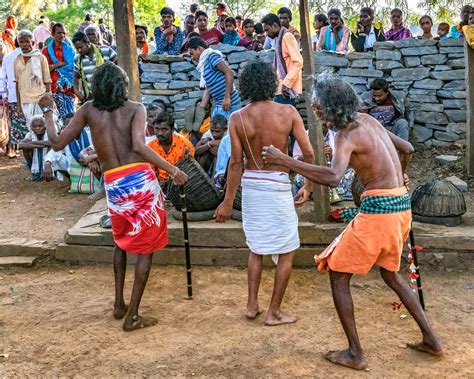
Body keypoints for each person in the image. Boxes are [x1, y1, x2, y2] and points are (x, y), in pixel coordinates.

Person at [261, 74, 443, 370]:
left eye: (315, 105)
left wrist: (285, 161)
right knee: (391, 275)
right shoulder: (367, 120)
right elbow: (406, 148)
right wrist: (400, 176)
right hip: (400, 204)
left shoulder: (345, 135)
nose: (314, 109)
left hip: (380, 210)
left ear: (326, 107)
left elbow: (333, 177)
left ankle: (355, 354)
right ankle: (432, 341)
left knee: (337, 272)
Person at [41, 62, 189, 331]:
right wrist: (172, 169)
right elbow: (138, 146)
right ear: (122, 84)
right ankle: (132, 315)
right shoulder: (136, 108)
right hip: (140, 180)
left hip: (114, 183)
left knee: (121, 241)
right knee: (146, 248)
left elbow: (57, 142)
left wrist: (48, 112)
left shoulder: (88, 110)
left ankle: (119, 304)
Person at [214, 61, 314, 325]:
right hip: (278, 185)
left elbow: (235, 164)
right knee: (287, 251)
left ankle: (251, 305)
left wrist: (226, 203)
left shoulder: (237, 118)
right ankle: (274, 312)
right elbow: (309, 153)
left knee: (256, 248)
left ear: (245, 85)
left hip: (252, 188)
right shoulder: (289, 112)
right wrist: (308, 186)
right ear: (272, 83)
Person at [187, 37, 240, 120]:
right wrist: (200, 109)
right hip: (220, 104)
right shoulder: (204, 66)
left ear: (199, 49)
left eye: (192, 53)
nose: (192, 58)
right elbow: (208, 90)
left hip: (230, 103)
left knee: (226, 130)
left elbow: (229, 73)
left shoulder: (212, 56)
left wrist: (227, 97)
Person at [261, 13, 303, 106]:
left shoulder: (287, 36)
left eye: (267, 30)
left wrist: (286, 83)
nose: (266, 34)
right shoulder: (278, 38)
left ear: (275, 26)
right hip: (280, 87)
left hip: (286, 88)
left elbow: (298, 62)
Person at [14, 30, 52, 130]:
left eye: (27, 41)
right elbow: (17, 83)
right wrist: (18, 105)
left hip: (40, 99)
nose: (24, 45)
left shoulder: (41, 58)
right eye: (21, 42)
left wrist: (49, 100)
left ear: (33, 43)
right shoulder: (17, 59)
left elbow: (47, 81)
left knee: (43, 128)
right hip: (25, 101)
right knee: (31, 130)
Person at [147, 111, 195, 185]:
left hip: (183, 183)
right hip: (159, 185)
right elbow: (151, 172)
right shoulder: (150, 147)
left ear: (172, 130)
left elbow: (189, 169)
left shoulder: (185, 145)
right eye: (157, 129)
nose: (160, 133)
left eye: (164, 129)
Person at [72, 32, 117, 104]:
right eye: (77, 48)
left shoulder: (105, 51)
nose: (79, 50)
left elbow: (119, 66)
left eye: (81, 47)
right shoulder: (77, 59)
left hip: (109, 94)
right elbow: (76, 77)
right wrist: (77, 92)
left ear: (88, 43)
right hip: (91, 97)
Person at [42, 23, 75, 120]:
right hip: (51, 89)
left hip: (67, 89)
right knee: (55, 119)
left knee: (69, 118)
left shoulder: (69, 50)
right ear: (53, 34)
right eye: (59, 33)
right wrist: (60, 64)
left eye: (64, 33)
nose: (62, 35)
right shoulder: (46, 51)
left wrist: (53, 66)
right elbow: (44, 69)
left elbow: (71, 67)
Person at [0, 42, 26, 158]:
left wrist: (4, 94)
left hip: (11, 96)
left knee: (13, 122)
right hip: (27, 96)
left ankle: (11, 149)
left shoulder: (8, 57)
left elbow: (3, 78)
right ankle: (14, 148)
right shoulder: (35, 55)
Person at [19, 115, 51, 181]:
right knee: (26, 149)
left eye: (40, 126)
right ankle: (33, 173)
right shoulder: (30, 134)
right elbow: (20, 145)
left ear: (45, 126)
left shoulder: (50, 132)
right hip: (36, 154)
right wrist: (43, 144)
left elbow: (51, 143)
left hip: (49, 160)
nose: (37, 128)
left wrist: (32, 143)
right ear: (31, 127)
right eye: (34, 126)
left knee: (52, 148)